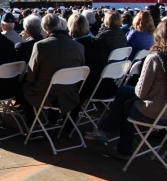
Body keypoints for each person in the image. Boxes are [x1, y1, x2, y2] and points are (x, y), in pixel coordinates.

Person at [86, 20, 167, 160]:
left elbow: (141, 93)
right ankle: (107, 131)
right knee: (124, 93)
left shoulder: (155, 59)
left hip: (155, 112)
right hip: (163, 110)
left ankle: (119, 145)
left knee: (126, 102)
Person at [18, 13, 85, 127]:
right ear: (61, 25)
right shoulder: (78, 46)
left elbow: (31, 77)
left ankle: (33, 123)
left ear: (44, 30)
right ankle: (50, 121)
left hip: (45, 95)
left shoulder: (40, 46)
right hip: (70, 94)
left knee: (22, 87)